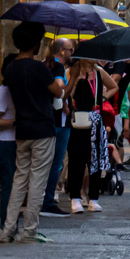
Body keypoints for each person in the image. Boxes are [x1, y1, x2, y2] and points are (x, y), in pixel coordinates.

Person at [0, 22, 64, 244]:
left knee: (20, 180)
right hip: (42, 129)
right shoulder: (39, 68)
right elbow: (57, 91)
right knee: (37, 180)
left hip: (22, 130)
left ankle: (7, 229)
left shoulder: (11, 68)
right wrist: (55, 71)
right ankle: (30, 231)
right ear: (35, 43)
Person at [65, 57, 117, 213]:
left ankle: (93, 198)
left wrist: (103, 98)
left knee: (95, 159)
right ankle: (75, 197)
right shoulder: (72, 72)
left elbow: (114, 86)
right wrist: (74, 81)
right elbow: (68, 95)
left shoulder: (99, 72)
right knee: (76, 160)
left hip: (95, 119)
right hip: (78, 120)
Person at [39, 38, 74, 217]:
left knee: (43, 163)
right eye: (69, 49)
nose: (71, 53)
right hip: (59, 122)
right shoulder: (58, 67)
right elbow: (61, 90)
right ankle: (48, 202)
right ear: (61, 51)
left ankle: (41, 199)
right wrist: (72, 80)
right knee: (55, 164)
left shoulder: (43, 65)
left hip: (45, 120)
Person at [0, 59, 18, 226]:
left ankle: (9, 222)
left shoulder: (16, 90)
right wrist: (14, 122)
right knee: (9, 183)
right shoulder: (4, 91)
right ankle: (6, 223)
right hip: (6, 142)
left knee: (15, 184)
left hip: (15, 142)